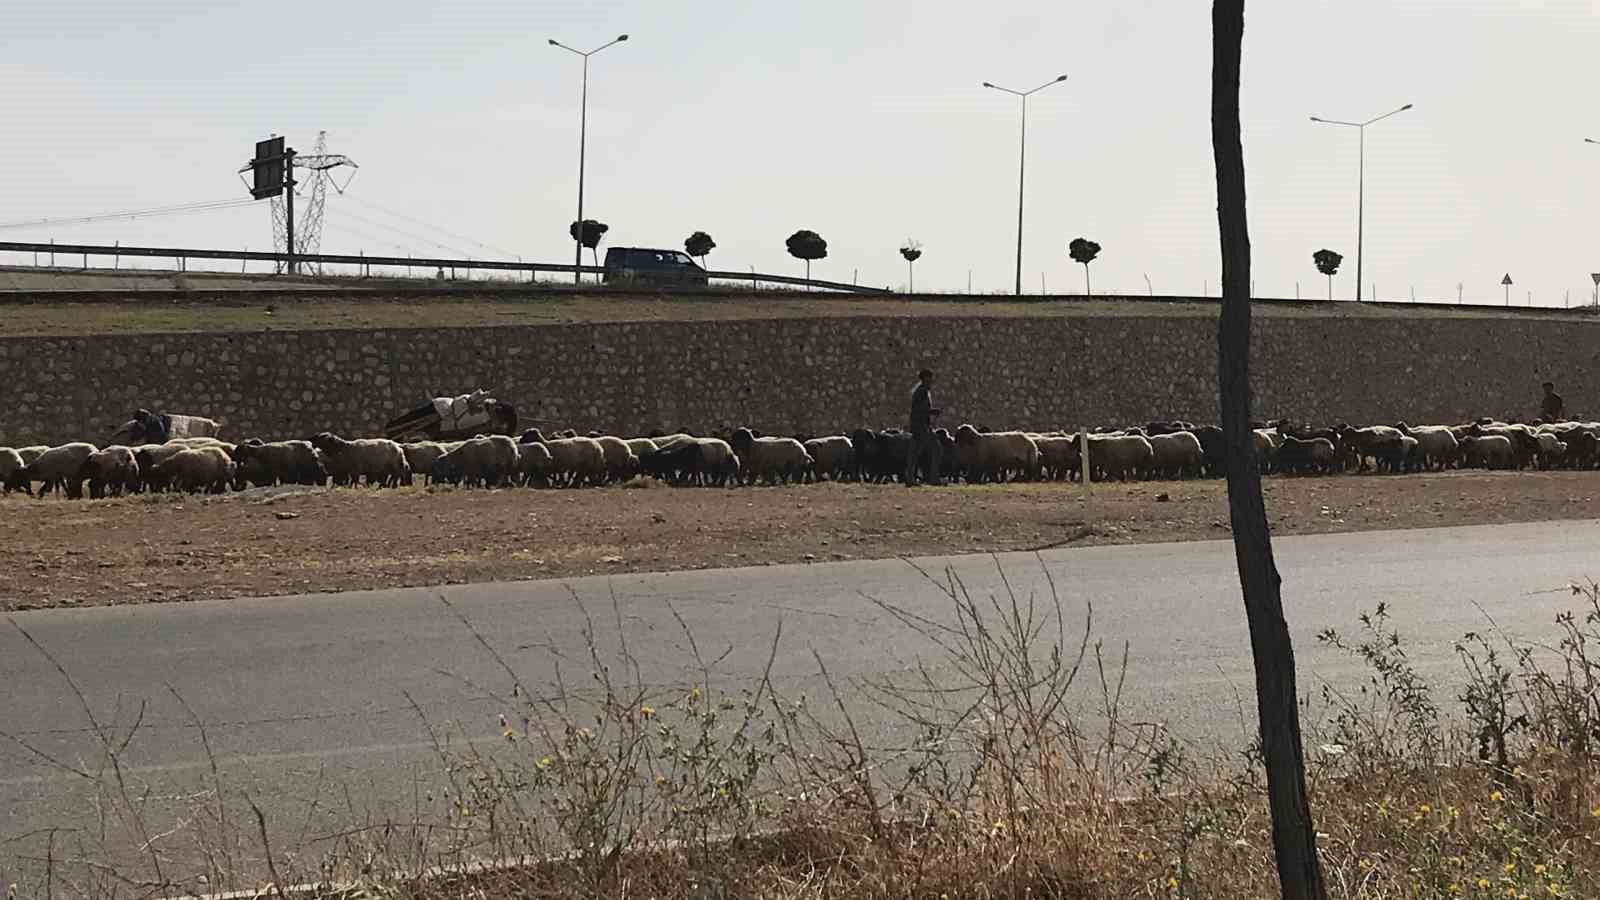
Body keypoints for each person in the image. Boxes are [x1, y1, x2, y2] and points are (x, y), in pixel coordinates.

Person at [905, 368, 943, 486]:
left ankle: (911, 478)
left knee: (915, 453)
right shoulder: (922, 392)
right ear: (924, 379)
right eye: (929, 378)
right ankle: (933, 478)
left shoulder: (922, 391)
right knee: (936, 449)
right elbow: (920, 410)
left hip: (920, 426)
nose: (931, 381)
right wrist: (932, 412)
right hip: (921, 427)